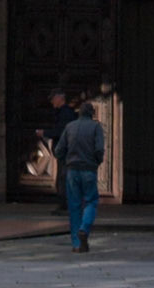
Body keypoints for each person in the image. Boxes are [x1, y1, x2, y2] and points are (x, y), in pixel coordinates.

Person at [53, 98, 105, 252]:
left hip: (72, 170)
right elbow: (99, 150)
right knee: (91, 201)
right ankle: (84, 228)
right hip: (88, 169)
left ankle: (76, 243)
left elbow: (59, 150)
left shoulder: (70, 127)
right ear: (92, 114)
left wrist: (66, 161)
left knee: (74, 206)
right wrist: (96, 162)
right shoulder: (96, 127)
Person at [34, 87, 74, 201]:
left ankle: (66, 204)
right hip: (62, 151)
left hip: (66, 150)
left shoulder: (66, 113)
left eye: (53, 99)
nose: (52, 102)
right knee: (62, 177)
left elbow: (61, 131)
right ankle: (63, 203)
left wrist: (44, 133)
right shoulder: (60, 112)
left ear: (59, 98)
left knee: (64, 177)